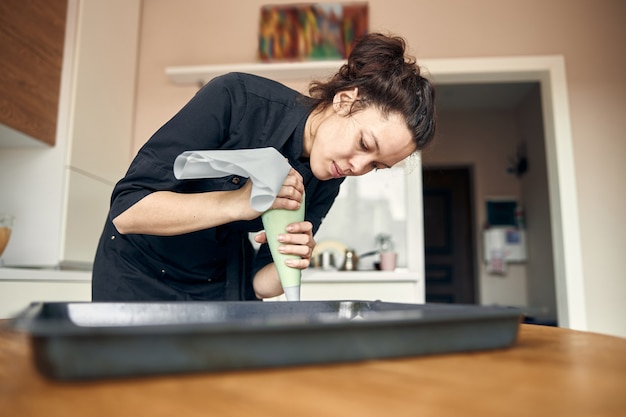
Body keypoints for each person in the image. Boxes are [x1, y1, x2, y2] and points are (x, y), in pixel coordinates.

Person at [91, 32, 436, 302]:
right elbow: (128, 212)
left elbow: (260, 282)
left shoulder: (327, 176)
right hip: (138, 278)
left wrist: (294, 263)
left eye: (375, 166)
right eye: (364, 144)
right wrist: (240, 203)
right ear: (345, 101)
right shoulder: (237, 99)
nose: (357, 167)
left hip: (220, 287)